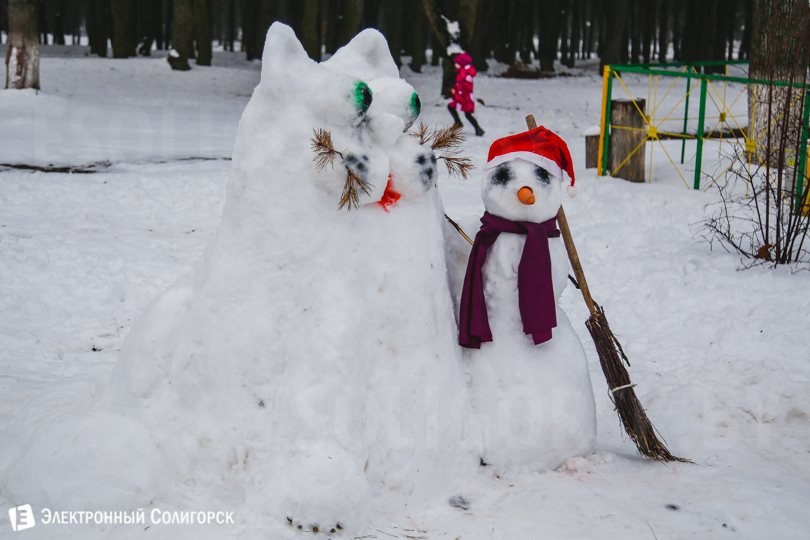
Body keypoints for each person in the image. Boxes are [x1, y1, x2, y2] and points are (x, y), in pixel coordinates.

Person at [447, 52, 485, 137]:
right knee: (451, 107)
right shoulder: (462, 73)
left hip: (465, 97)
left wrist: (455, 90)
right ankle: (458, 122)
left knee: (468, 114)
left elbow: (464, 86)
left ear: (462, 64)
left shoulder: (465, 74)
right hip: (460, 96)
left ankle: (478, 129)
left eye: (457, 63)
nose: (455, 64)